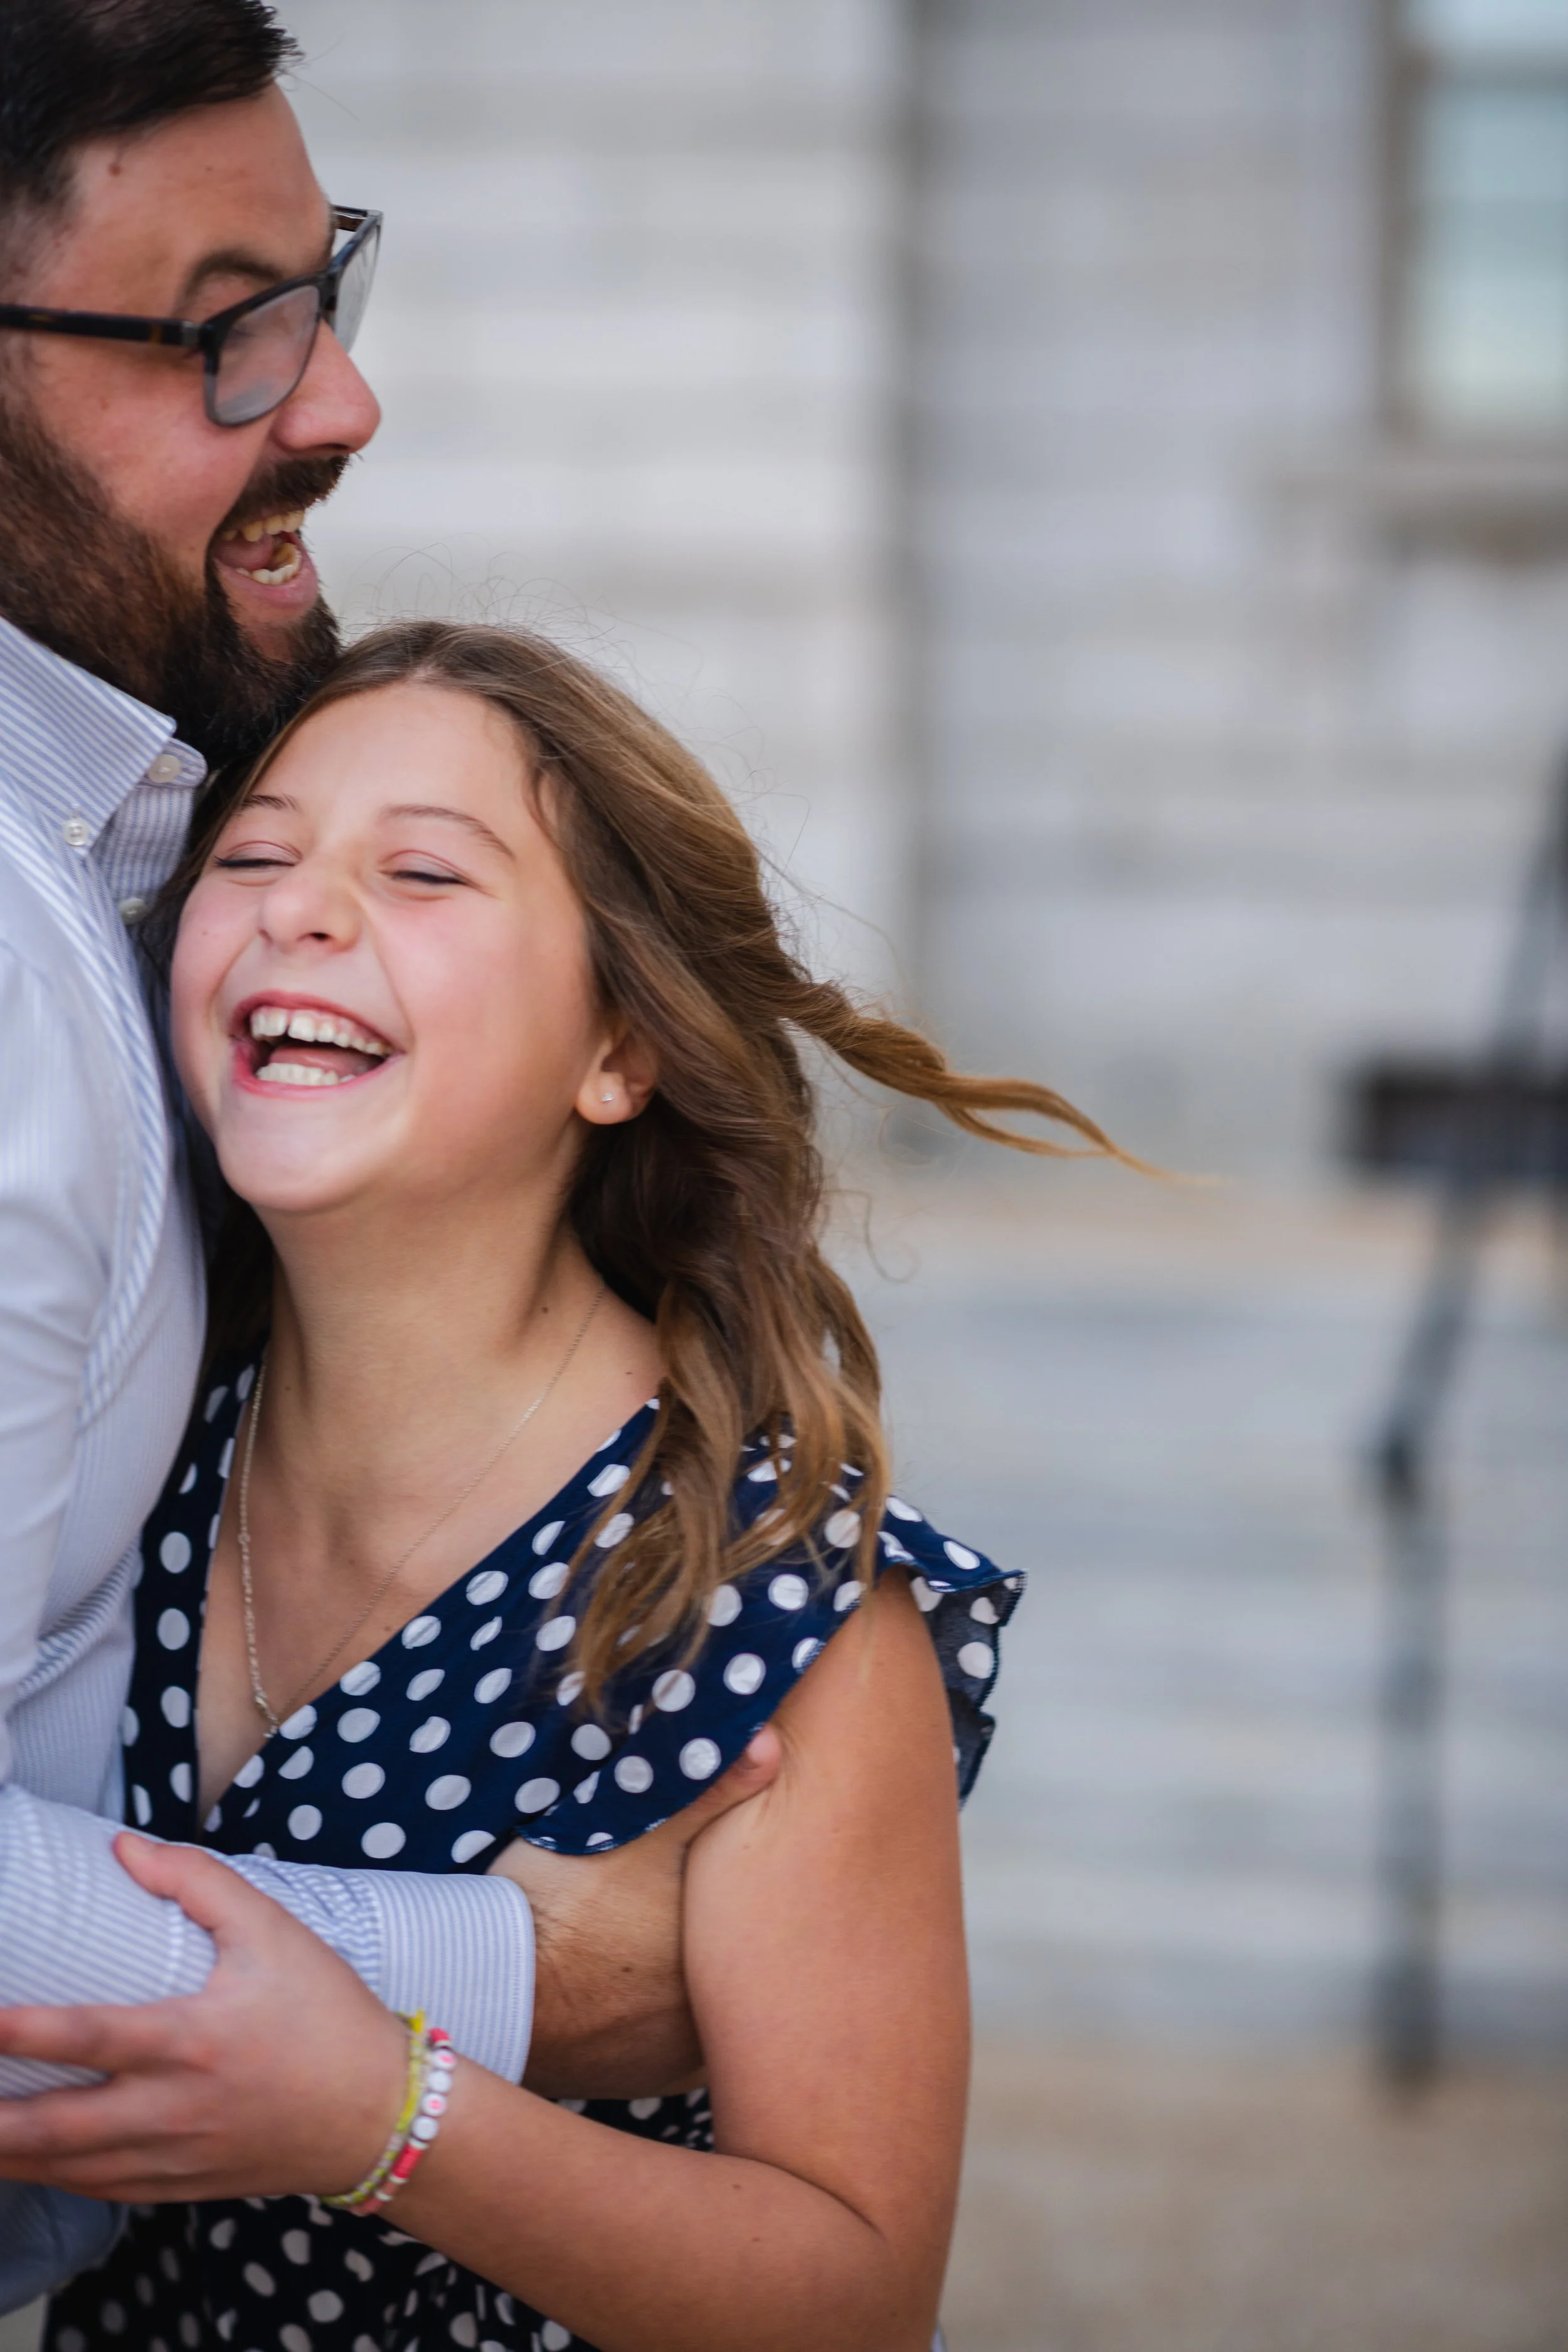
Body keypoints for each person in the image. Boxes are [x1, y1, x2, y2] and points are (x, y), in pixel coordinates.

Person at [0, 621, 1126, 2351]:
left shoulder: (759, 1609)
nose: (302, 907)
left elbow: (852, 2298)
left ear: (620, 1047)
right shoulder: (120, 1459)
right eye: (256, 851)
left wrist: (384, 2119)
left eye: (425, 870)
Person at [0, 0, 768, 2306]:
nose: (334, 402)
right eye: (225, 334)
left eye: (322, 289)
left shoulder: (757, 1592)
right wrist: (507, 1991)